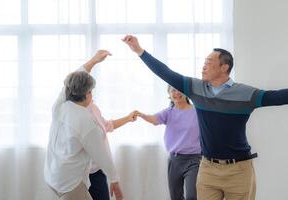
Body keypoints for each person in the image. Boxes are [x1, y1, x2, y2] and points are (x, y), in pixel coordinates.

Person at [122, 35, 288, 200]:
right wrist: (139, 51)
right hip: (207, 169)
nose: (203, 67)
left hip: (239, 170)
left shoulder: (245, 94)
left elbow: (277, 97)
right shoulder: (196, 89)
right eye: (204, 63)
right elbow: (166, 73)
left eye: (209, 63)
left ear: (224, 67)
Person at [44, 51, 125, 200]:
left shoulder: (59, 106)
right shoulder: (86, 120)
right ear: (87, 93)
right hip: (70, 184)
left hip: (53, 176)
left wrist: (93, 61)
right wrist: (115, 180)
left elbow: (69, 83)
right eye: (91, 91)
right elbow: (102, 155)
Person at [81, 50, 139, 200]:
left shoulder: (93, 108)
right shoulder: (72, 111)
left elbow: (106, 126)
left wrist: (127, 118)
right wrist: (93, 61)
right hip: (79, 174)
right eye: (89, 92)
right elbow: (75, 77)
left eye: (91, 91)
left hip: (97, 171)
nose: (91, 94)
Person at [137, 85, 201, 200]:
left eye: (179, 90)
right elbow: (154, 119)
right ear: (169, 95)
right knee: (175, 197)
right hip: (175, 160)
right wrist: (142, 115)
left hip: (194, 160)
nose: (176, 93)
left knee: (192, 196)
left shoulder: (197, 111)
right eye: (173, 90)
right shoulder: (168, 112)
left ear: (186, 93)